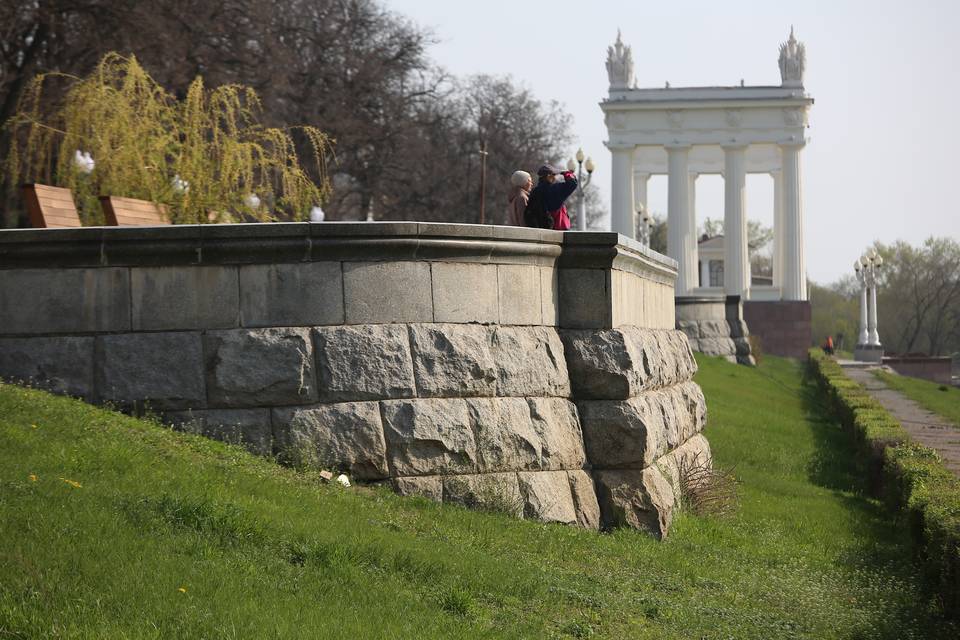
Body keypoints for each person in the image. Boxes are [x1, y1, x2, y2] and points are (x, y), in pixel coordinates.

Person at [525, 163, 577, 230]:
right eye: (554, 175)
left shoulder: (535, 191)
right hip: (557, 228)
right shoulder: (555, 189)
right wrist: (565, 173)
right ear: (548, 176)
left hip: (541, 228)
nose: (555, 177)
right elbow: (573, 183)